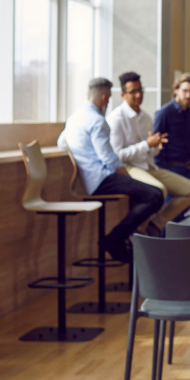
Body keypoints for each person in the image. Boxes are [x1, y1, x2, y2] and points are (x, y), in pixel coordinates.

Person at [58, 77, 164, 262]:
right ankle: (115, 239)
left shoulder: (75, 117)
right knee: (154, 195)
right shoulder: (98, 121)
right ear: (105, 98)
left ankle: (126, 241)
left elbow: (61, 143)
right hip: (101, 180)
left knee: (143, 194)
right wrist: (123, 172)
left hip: (87, 180)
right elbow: (108, 158)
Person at [107, 72, 190, 234]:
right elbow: (117, 155)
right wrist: (146, 144)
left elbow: (151, 152)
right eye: (133, 91)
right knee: (159, 190)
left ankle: (155, 224)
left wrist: (154, 145)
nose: (138, 95)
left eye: (140, 90)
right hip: (128, 167)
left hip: (148, 165)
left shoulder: (146, 117)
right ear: (123, 95)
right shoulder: (116, 118)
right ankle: (141, 233)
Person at [154, 73, 190, 182]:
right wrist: (162, 169)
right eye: (185, 91)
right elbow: (156, 143)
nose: (188, 95)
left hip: (189, 168)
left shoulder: (189, 114)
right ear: (176, 90)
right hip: (171, 168)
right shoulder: (164, 112)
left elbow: (189, 142)